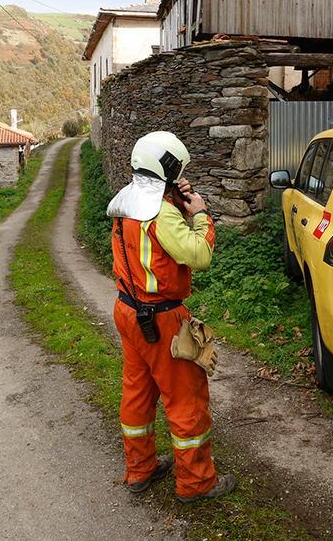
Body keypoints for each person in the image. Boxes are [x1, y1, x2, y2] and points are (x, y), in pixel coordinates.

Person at [105, 131, 236, 502]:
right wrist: (201, 216)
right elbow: (198, 255)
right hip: (162, 319)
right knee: (186, 400)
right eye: (177, 169)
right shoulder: (160, 213)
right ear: (167, 167)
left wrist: (175, 199)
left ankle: (140, 470)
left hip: (127, 310)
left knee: (137, 392)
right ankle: (196, 483)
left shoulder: (127, 200)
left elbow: (151, 244)